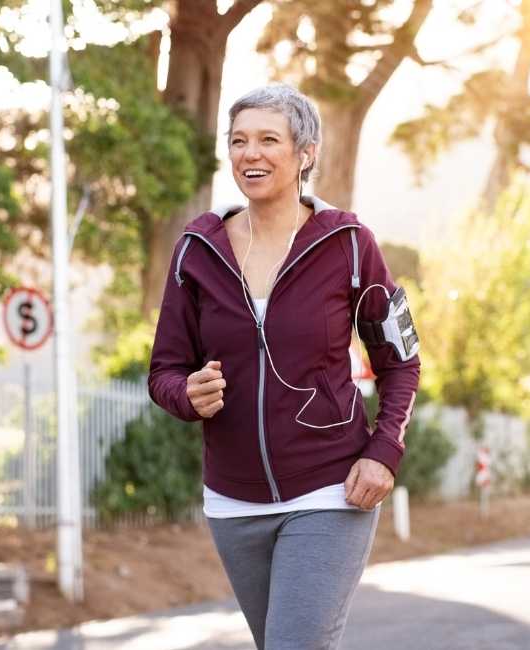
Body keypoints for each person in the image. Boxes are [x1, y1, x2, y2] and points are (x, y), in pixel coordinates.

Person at [148, 83, 421, 650]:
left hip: (330, 489)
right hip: (231, 501)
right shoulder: (197, 251)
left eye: (269, 140)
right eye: (239, 140)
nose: (251, 154)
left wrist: (383, 453)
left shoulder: (348, 243)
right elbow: (164, 371)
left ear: (306, 152)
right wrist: (187, 393)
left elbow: (401, 362)